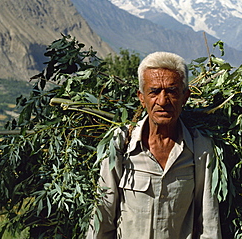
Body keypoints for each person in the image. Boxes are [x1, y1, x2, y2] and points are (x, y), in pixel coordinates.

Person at [87, 52, 222, 239]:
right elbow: (104, 213)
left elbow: (208, 222)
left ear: (185, 97)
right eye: (154, 91)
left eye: (172, 91)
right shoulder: (121, 144)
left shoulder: (200, 149)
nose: (163, 101)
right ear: (141, 97)